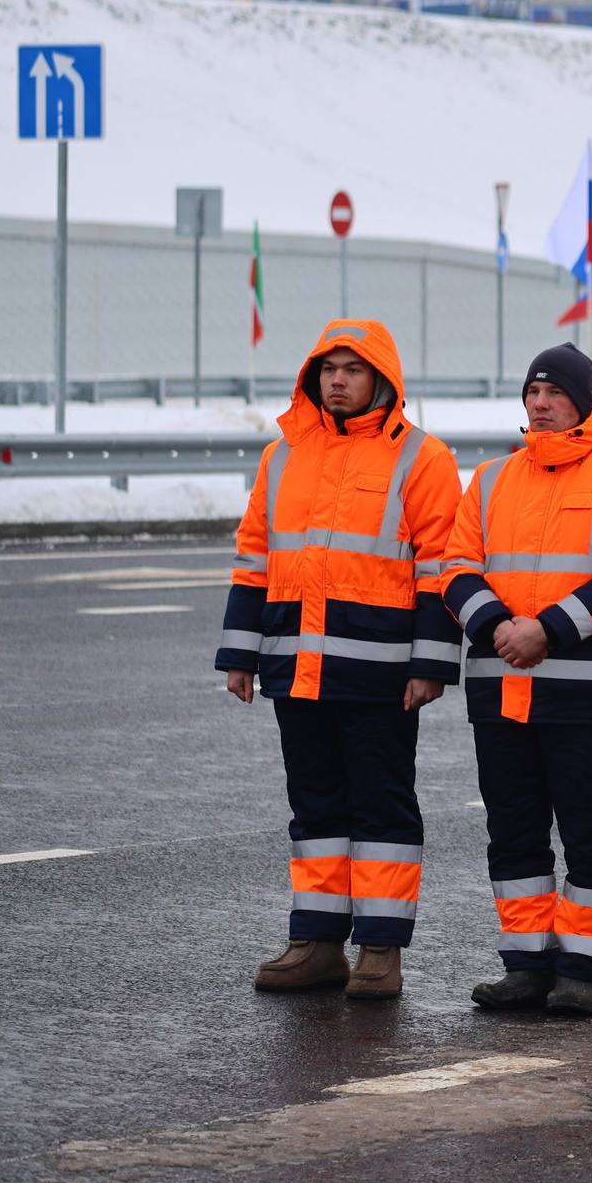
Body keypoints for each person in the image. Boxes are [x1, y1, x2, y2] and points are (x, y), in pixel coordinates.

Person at [217, 320, 461, 1000]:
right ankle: (317, 941)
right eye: (328, 367)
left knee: (381, 806)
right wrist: (241, 651)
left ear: (381, 378)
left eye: (353, 368)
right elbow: (254, 557)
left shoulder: (422, 457)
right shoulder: (283, 455)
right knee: (316, 806)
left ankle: (380, 950)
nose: (338, 379)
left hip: (380, 671)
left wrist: (432, 662)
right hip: (296, 663)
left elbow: (439, 568)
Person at [438, 344, 592, 1018]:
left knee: (590, 829)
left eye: (555, 392)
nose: (540, 402)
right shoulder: (488, 479)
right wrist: (501, 625)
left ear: (583, 401)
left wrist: (545, 630)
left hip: (585, 693)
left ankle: (584, 969)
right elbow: (455, 567)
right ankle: (526, 962)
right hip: (501, 688)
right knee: (513, 830)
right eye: (533, 390)